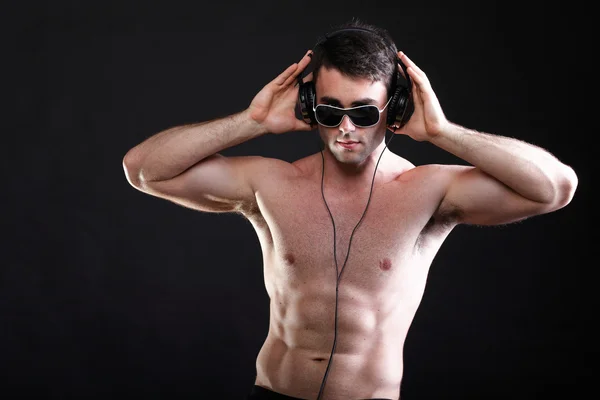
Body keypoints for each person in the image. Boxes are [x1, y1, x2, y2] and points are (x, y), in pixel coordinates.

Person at [122, 18, 578, 400]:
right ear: (308, 104)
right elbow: (144, 171)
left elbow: (554, 188)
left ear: (394, 107)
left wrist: (442, 132)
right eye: (329, 110)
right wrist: (252, 121)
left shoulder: (429, 190)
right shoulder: (272, 182)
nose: (345, 129)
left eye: (363, 112)